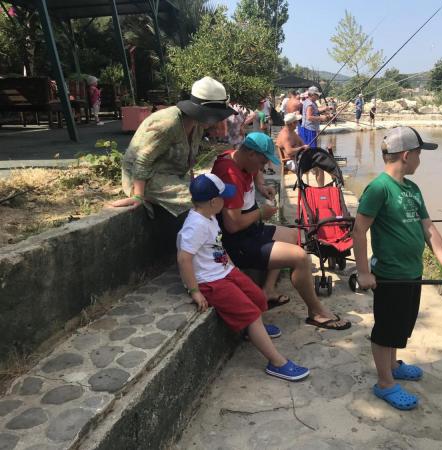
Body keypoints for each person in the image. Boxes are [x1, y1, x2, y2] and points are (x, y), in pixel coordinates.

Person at [352, 126, 442, 411]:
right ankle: (385, 383)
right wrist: (364, 272)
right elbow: (359, 231)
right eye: (419, 154)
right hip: (389, 274)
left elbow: (429, 228)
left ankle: (393, 364)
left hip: (412, 272)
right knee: (386, 329)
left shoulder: (413, 189)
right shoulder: (379, 188)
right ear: (407, 155)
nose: (420, 161)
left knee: (402, 323)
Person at [177, 173, 310, 381]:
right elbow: (184, 259)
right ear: (213, 202)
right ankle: (277, 362)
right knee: (251, 313)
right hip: (210, 281)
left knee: (257, 296)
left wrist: (232, 267)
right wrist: (195, 291)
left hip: (224, 271)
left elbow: (217, 246)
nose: (227, 201)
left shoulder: (209, 216)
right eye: (223, 197)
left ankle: (254, 331)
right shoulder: (195, 226)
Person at [212, 132, 350, 330]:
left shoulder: (237, 157)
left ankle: (267, 291)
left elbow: (254, 171)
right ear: (251, 154)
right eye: (262, 161)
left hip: (252, 230)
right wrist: (261, 213)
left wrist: (260, 185)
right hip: (238, 242)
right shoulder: (229, 175)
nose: (264, 167)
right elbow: (232, 225)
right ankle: (316, 312)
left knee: (293, 236)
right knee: (300, 257)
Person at [113, 76, 237, 217]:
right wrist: (137, 196)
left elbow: (188, 160)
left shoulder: (197, 125)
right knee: (202, 200)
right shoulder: (168, 123)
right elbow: (143, 160)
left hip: (172, 174)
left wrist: (193, 183)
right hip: (145, 177)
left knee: (211, 192)